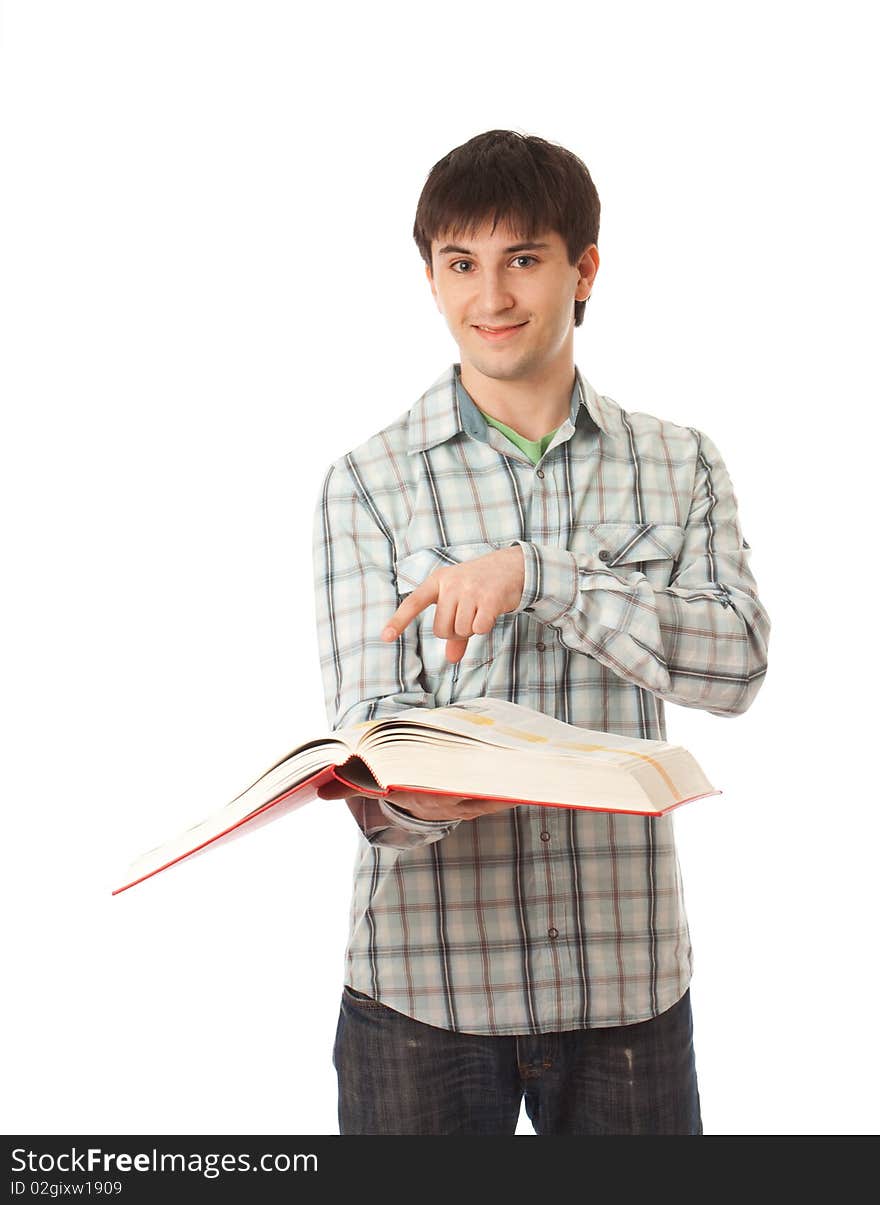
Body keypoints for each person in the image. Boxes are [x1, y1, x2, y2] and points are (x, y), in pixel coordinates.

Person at [311, 129, 770, 1135]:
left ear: (583, 268)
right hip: (422, 988)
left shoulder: (680, 463)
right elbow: (370, 723)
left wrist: (540, 576)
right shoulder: (367, 482)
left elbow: (735, 663)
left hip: (623, 986)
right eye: (460, 264)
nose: (492, 298)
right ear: (429, 279)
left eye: (522, 258)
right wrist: (408, 795)